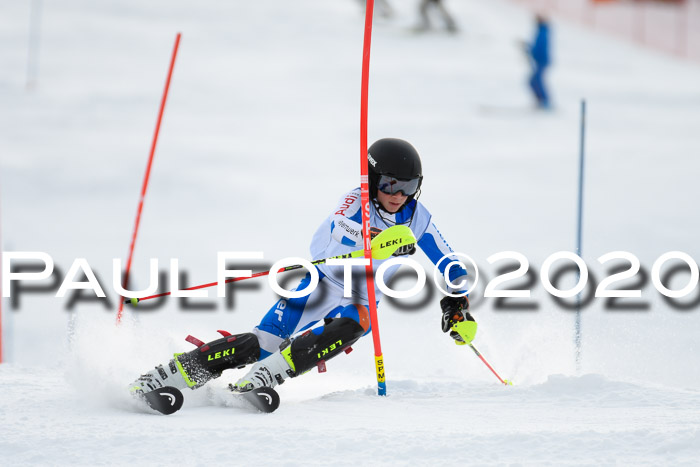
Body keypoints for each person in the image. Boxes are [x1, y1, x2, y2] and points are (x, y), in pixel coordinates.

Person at [130, 138, 474, 398]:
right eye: (389, 185)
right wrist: (377, 237)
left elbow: (448, 260)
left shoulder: (417, 217)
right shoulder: (357, 201)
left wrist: (458, 301)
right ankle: (172, 374)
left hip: (361, 295)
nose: (398, 195)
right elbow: (343, 227)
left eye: (408, 187)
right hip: (322, 281)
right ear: (372, 179)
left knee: (358, 322)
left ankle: (271, 374)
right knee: (262, 342)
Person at [525, 15, 551, 109]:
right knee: (534, 81)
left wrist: (531, 51)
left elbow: (540, 47)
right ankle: (541, 101)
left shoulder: (543, 31)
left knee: (535, 80)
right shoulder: (541, 30)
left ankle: (545, 102)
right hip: (539, 60)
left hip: (541, 60)